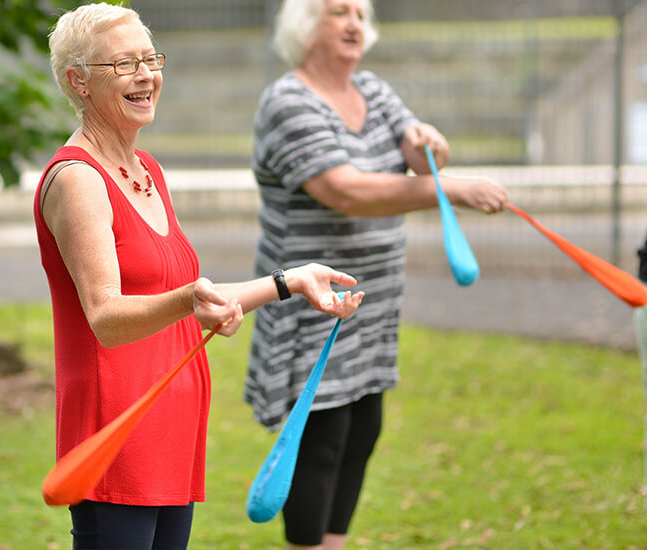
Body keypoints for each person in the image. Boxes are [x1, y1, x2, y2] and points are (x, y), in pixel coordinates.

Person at [34, 3, 366, 549]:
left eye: (150, 58)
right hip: (115, 435)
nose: (145, 75)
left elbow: (193, 296)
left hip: (170, 429)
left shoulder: (147, 171)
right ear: (79, 82)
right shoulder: (78, 180)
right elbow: (107, 318)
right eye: (124, 64)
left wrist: (291, 280)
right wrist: (191, 299)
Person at [244, 1, 510, 549]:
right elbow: (346, 191)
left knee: (362, 431)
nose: (352, 24)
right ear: (304, 28)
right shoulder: (287, 100)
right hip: (313, 303)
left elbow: (416, 156)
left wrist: (427, 147)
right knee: (321, 439)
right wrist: (450, 187)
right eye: (336, 11)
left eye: (359, 14)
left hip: (373, 304)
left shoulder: (375, 90)